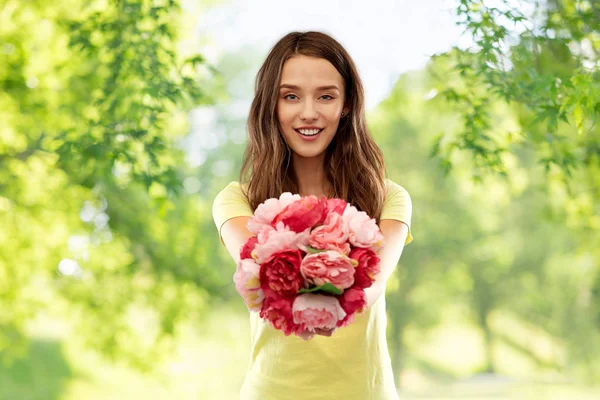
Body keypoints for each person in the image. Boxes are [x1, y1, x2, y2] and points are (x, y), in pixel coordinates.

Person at [212, 31, 413, 400]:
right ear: (271, 106)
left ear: (347, 104)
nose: (308, 112)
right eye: (290, 96)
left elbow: (369, 287)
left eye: (326, 96)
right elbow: (265, 281)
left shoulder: (388, 199)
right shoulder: (237, 202)